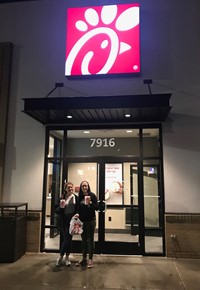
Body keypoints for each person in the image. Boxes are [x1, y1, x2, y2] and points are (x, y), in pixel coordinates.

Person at [55, 181, 79, 267]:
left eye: (71, 187)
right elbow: (56, 209)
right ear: (65, 189)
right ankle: (62, 257)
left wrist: (77, 214)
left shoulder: (76, 197)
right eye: (68, 187)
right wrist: (61, 207)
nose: (70, 189)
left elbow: (78, 209)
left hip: (72, 220)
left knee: (69, 238)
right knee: (67, 239)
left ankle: (66, 257)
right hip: (64, 220)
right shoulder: (62, 197)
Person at [76, 180, 98, 268]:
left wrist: (91, 203)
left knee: (91, 240)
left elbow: (97, 207)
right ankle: (84, 258)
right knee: (83, 240)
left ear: (88, 187)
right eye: (83, 186)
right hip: (82, 221)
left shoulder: (92, 196)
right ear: (81, 188)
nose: (85, 187)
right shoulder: (79, 197)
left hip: (91, 221)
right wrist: (77, 214)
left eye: (86, 186)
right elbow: (77, 208)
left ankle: (91, 260)